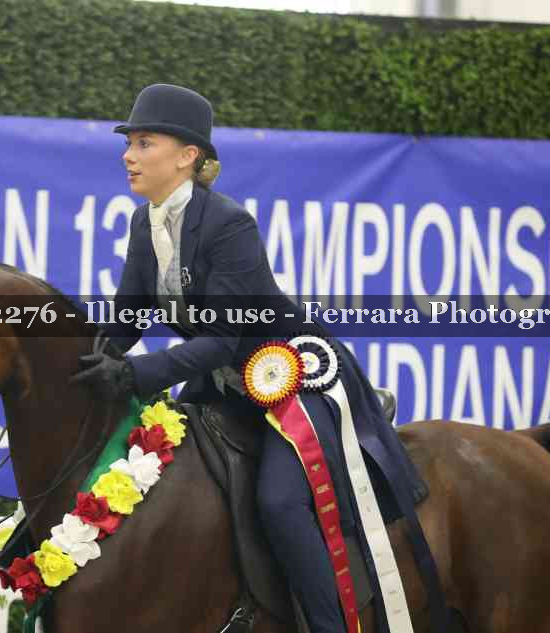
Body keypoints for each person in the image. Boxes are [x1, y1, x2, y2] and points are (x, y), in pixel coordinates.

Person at [70, 83, 427, 633]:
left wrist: (135, 373)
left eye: (143, 143)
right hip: (225, 386)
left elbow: (221, 340)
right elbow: (125, 320)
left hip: (293, 376)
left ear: (187, 156)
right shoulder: (145, 222)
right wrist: (80, 366)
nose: (128, 155)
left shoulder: (228, 224)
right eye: (129, 144)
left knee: (279, 503)